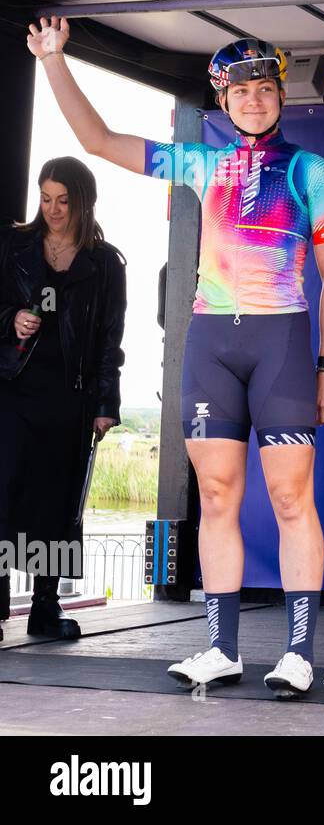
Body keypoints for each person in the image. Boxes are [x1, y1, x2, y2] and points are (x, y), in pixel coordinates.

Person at [27, 19, 324, 697]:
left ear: (280, 95)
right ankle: (222, 647)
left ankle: (297, 652)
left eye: (264, 88)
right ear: (222, 101)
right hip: (211, 342)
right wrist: (53, 61)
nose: (253, 99)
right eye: (241, 91)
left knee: (292, 497)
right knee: (221, 495)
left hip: (282, 337)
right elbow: (97, 142)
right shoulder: (204, 162)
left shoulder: (310, 170)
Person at [0, 157, 126, 642]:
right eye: (45, 198)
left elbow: (109, 340)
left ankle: (44, 608)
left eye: (63, 200)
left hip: (68, 400)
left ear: (82, 201)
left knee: (54, 507)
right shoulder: (13, 247)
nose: (52, 209)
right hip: (11, 388)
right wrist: (11, 317)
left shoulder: (105, 263)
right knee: (4, 498)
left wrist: (105, 403)